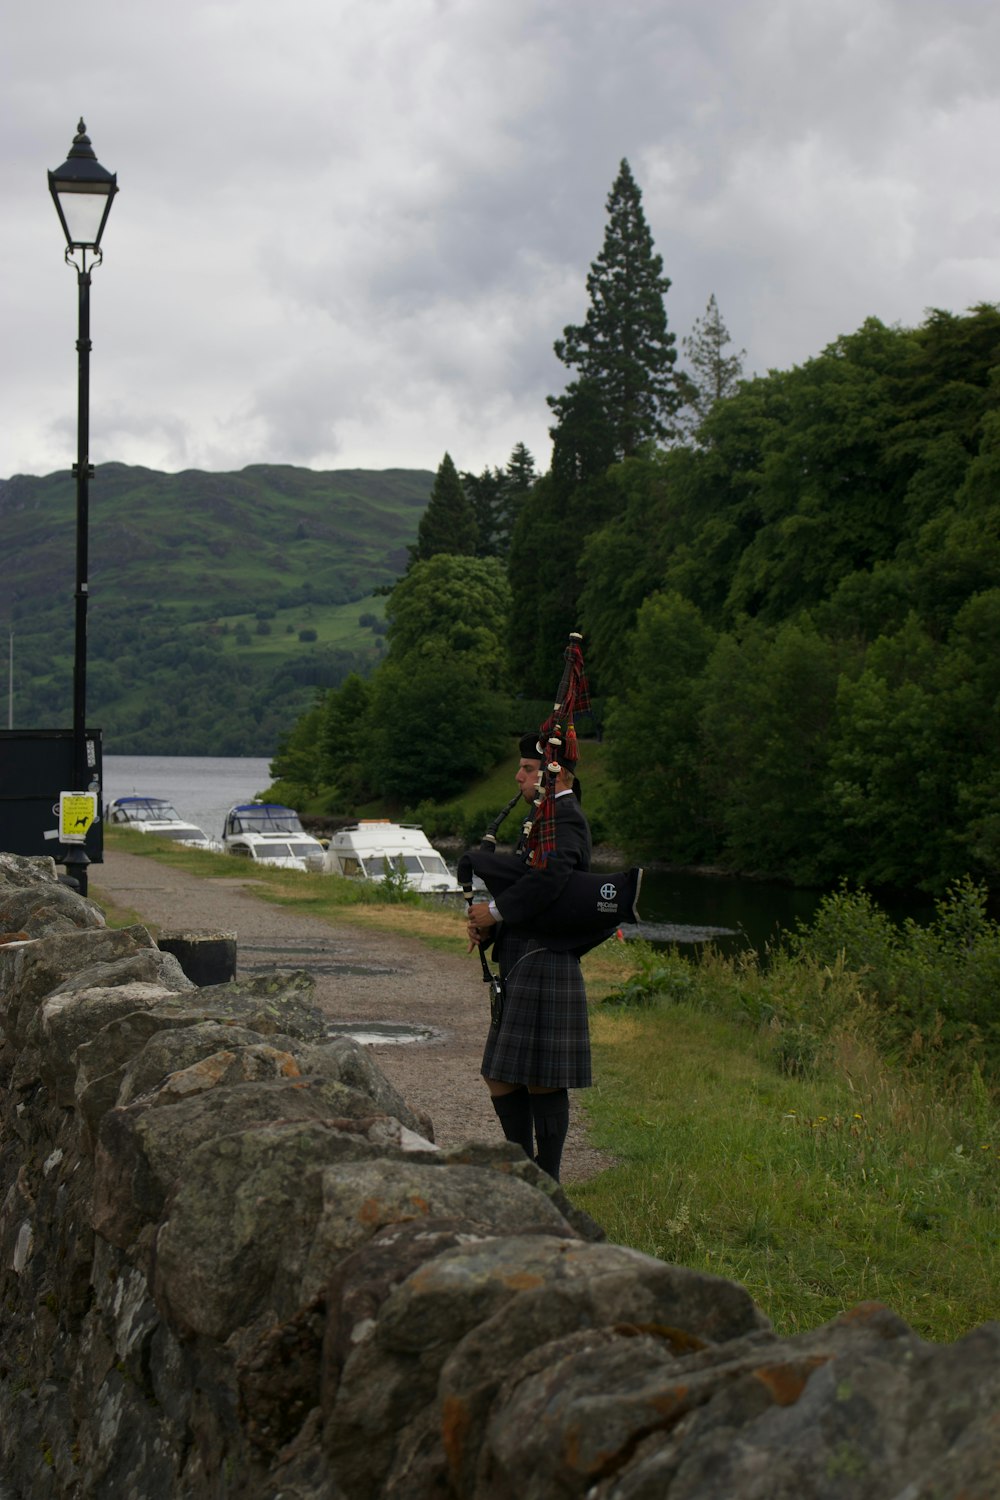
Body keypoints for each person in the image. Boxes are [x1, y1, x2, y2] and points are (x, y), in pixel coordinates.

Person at [466, 732, 593, 1181]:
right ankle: (525, 1172)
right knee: (501, 1073)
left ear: (551, 773)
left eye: (527, 768)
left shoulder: (565, 817)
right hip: (524, 956)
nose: (518, 776)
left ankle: (546, 1178)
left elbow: (552, 877)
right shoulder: (544, 819)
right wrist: (491, 924)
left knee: (542, 1077)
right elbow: (529, 882)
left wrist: (496, 910)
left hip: (546, 958)